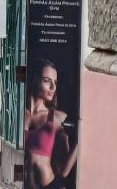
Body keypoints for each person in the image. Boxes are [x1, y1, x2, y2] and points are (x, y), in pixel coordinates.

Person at [25, 60, 79, 189]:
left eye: (55, 82)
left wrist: (79, 141)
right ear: (34, 79)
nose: (53, 88)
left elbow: (64, 170)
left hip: (50, 186)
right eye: (47, 81)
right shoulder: (18, 114)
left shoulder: (58, 118)